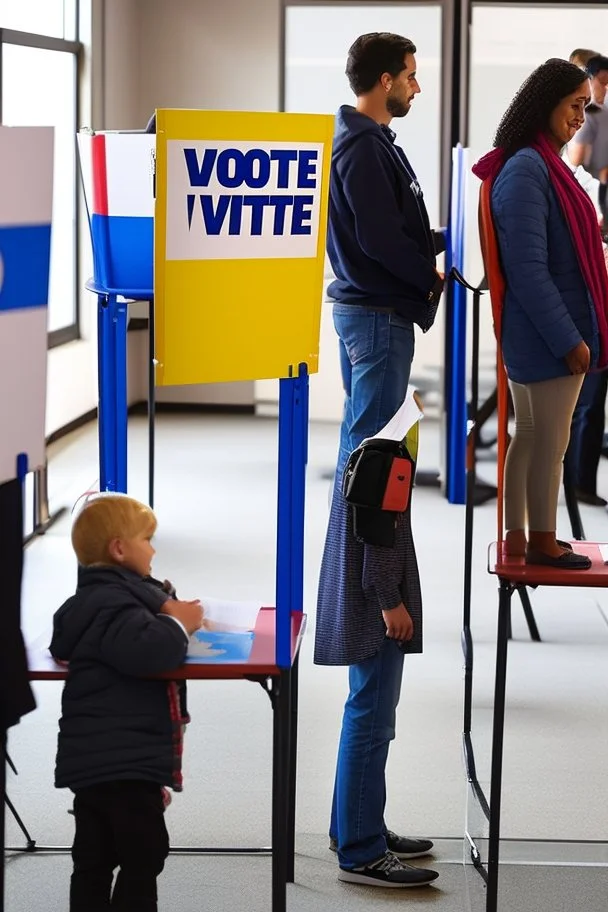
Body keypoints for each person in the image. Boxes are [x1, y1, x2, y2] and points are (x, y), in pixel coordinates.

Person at [314, 32, 441, 890]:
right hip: (378, 316)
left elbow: (396, 231)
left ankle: (357, 822)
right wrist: (432, 267)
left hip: (378, 315)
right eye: (412, 77)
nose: (417, 88)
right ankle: (361, 847)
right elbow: (384, 240)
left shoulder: (369, 141)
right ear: (385, 80)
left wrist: (433, 247)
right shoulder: (360, 147)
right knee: (380, 464)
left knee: (382, 456)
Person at [473, 58, 608, 568]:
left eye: (585, 107)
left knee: (529, 438)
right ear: (546, 102)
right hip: (547, 335)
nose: (580, 117)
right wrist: (569, 340)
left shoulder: (536, 163)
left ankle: (521, 540)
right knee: (550, 444)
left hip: (537, 332)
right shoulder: (529, 168)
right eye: (574, 105)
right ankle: (544, 543)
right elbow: (528, 270)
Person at [49, 493, 204, 912]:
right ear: (119, 549)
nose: (153, 550)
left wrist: (163, 601)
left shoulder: (90, 601)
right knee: (144, 856)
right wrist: (177, 623)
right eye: (147, 540)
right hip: (128, 762)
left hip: (92, 763)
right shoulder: (118, 605)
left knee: (92, 860)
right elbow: (151, 651)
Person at [565, 50, 608, 507]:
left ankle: (582, 481)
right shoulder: (571, 178)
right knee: (589, 396)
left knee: (593, 398)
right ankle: (577, 482)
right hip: (588, 299)